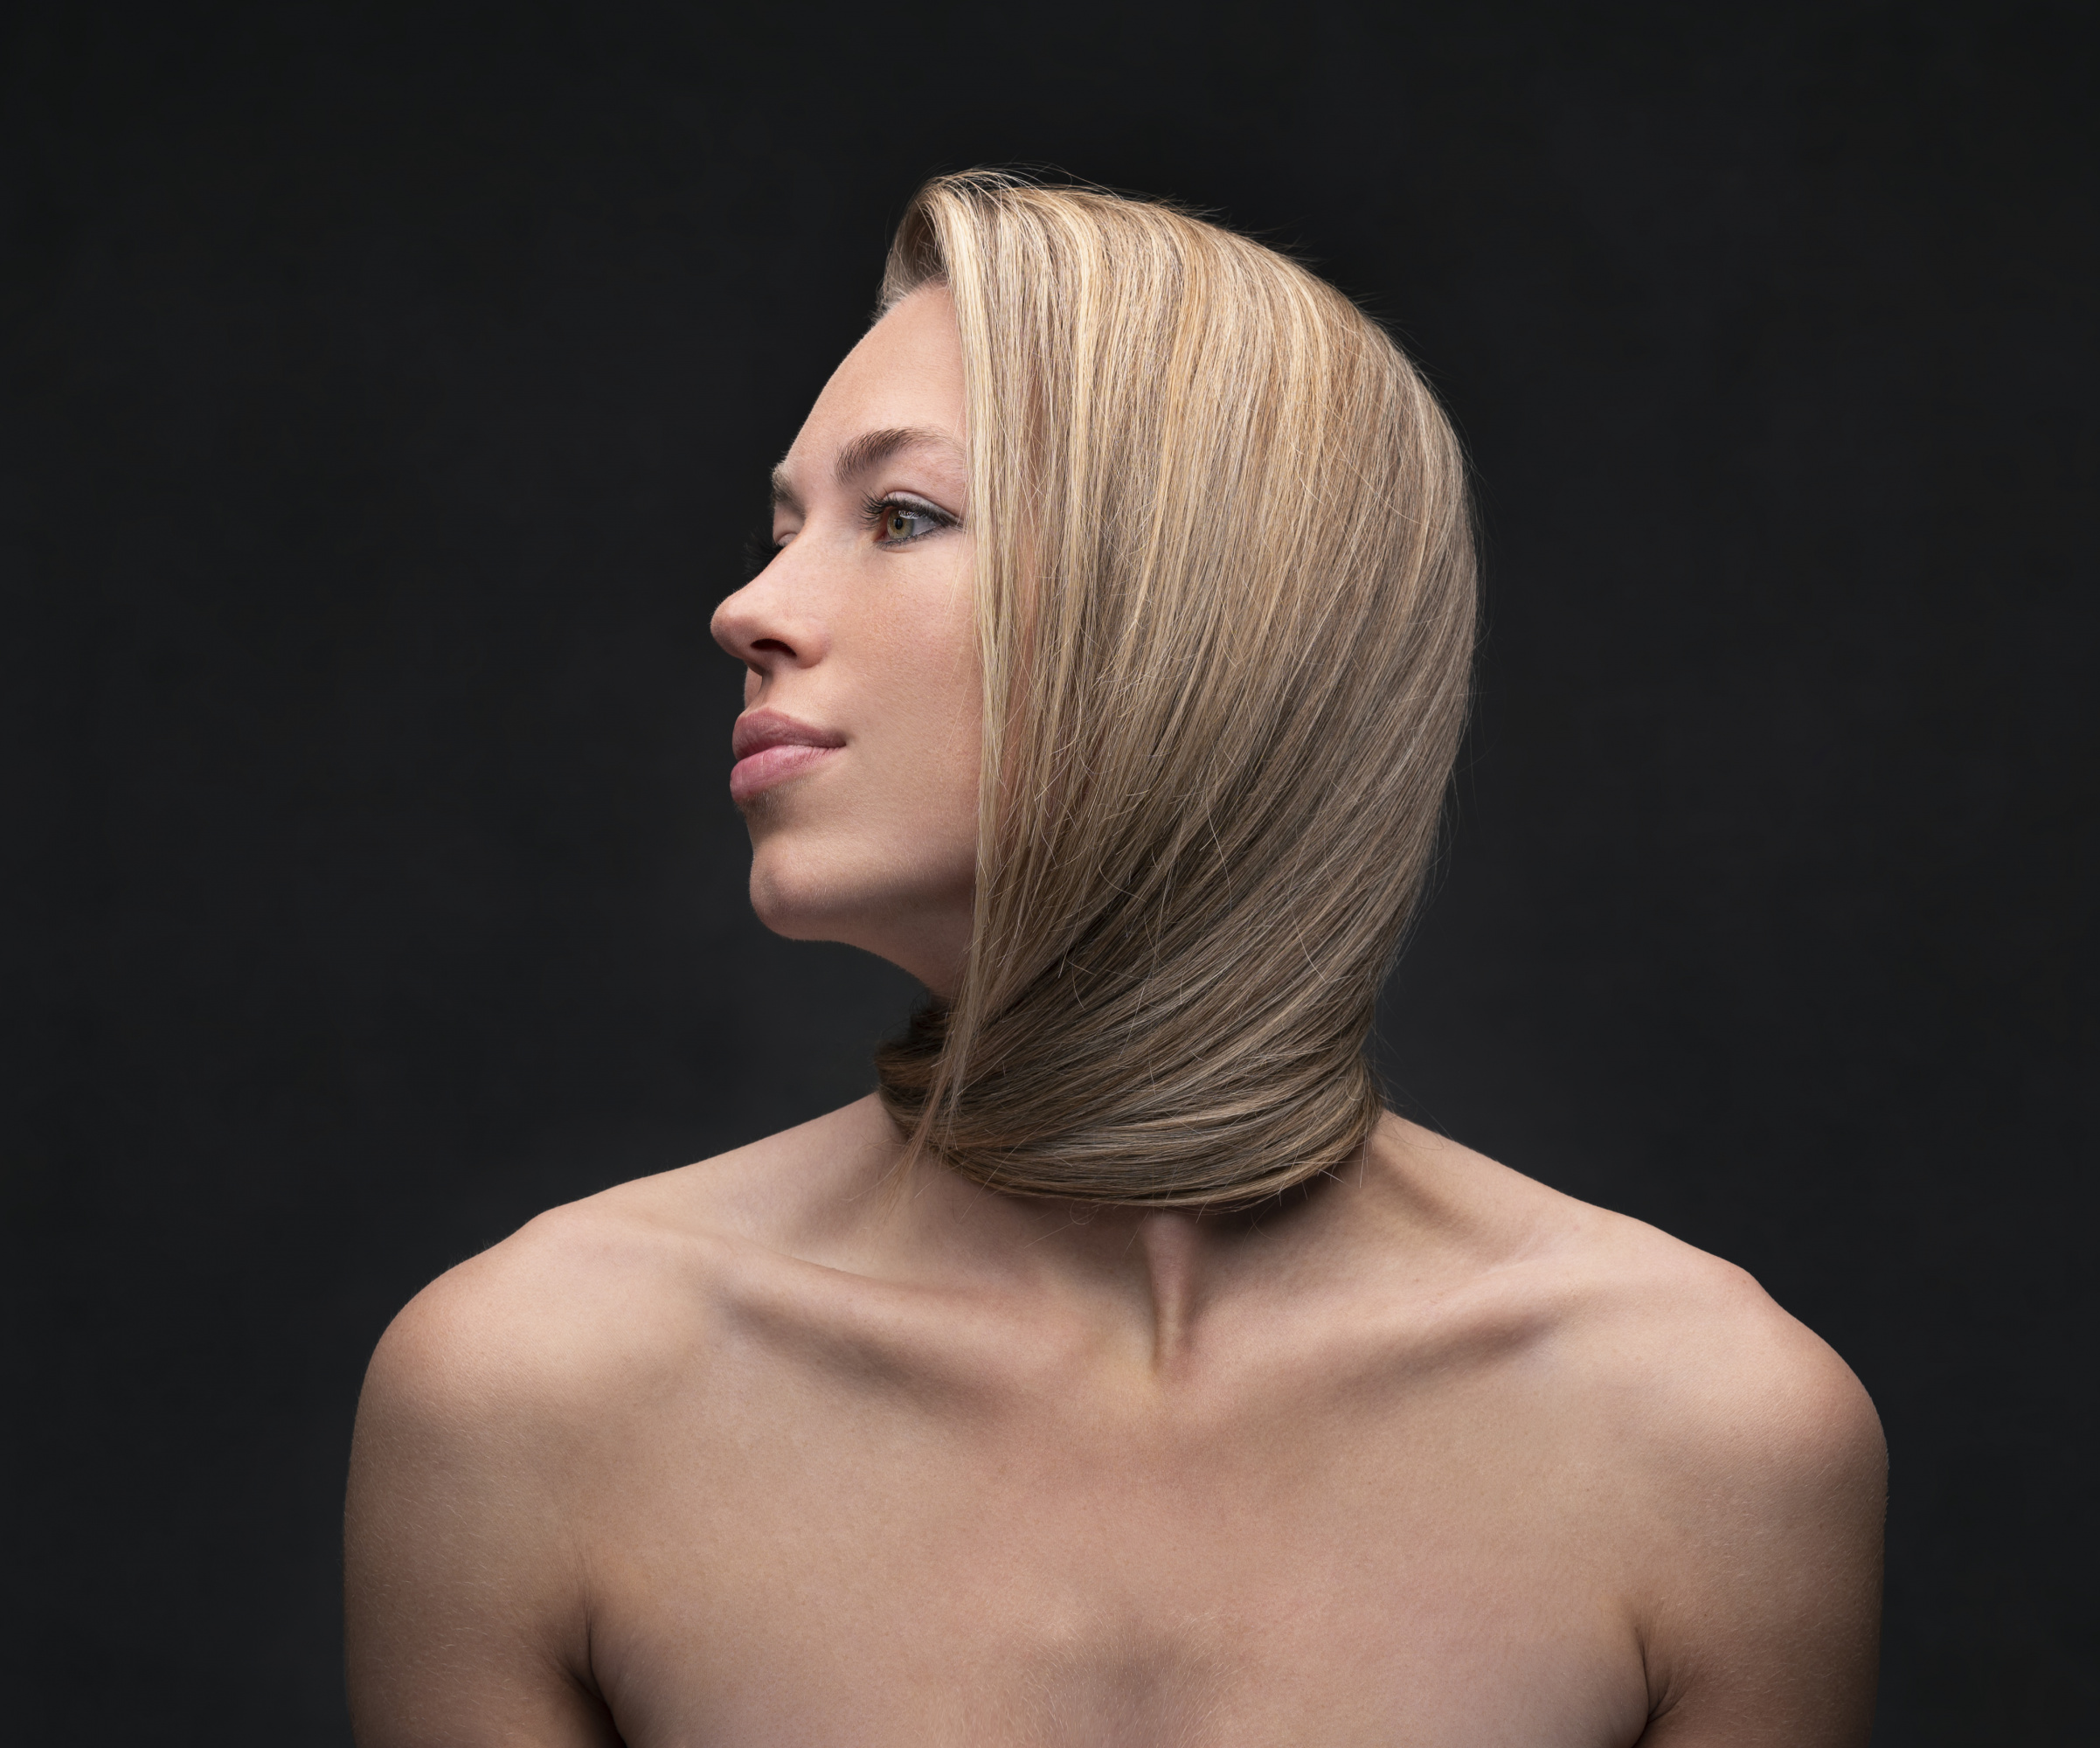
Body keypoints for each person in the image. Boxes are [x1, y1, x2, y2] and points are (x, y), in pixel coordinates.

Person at [344, 172, 1886, 1746]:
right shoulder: (532, 1396)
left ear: (1210, 609)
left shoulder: (1710, 1438)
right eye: (781, 529)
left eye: (902, 515)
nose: (749, 608)